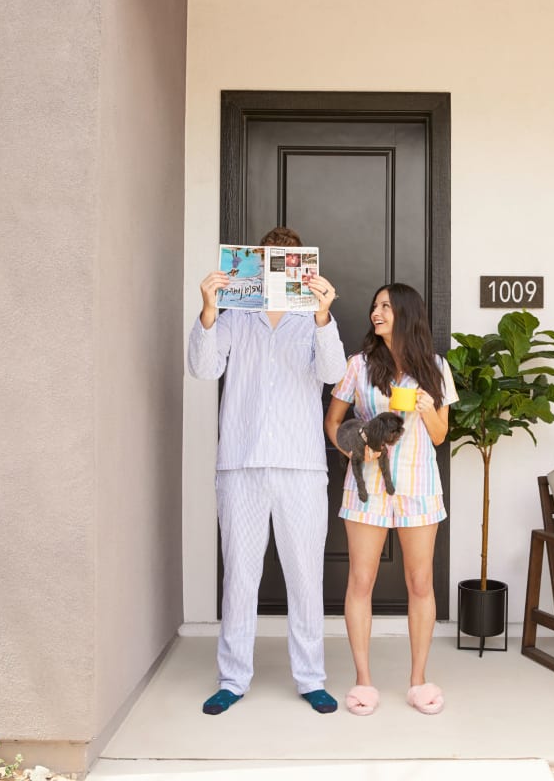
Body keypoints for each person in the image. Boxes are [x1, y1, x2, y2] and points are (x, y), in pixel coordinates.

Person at [188, 226, 346, 716]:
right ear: (257, 266)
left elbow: (333, 374)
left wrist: (323, 316)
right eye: (271, 259)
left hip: (301, 466)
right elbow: (203, 368)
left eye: (288, 259)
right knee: (240, 575)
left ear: (300, 267)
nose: (279, 266)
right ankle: (232, 679)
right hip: (241, 464)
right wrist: (210, 310)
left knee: (305, 576)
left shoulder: (314, 321)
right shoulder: (235, 315)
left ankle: (311, 677)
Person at [323, 282, 457, 716]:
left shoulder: (435, 368)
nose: (375, 313)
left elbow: (440, 435)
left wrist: (425, 407)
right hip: (367, 487)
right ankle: (363, 681)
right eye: (374, 306)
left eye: (385, 306)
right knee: (360, 583)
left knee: (421, 584)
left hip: (419, 487)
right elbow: (332, 421)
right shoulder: (358, 365)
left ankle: (418, 681)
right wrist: (353, 448)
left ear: (406, 313)